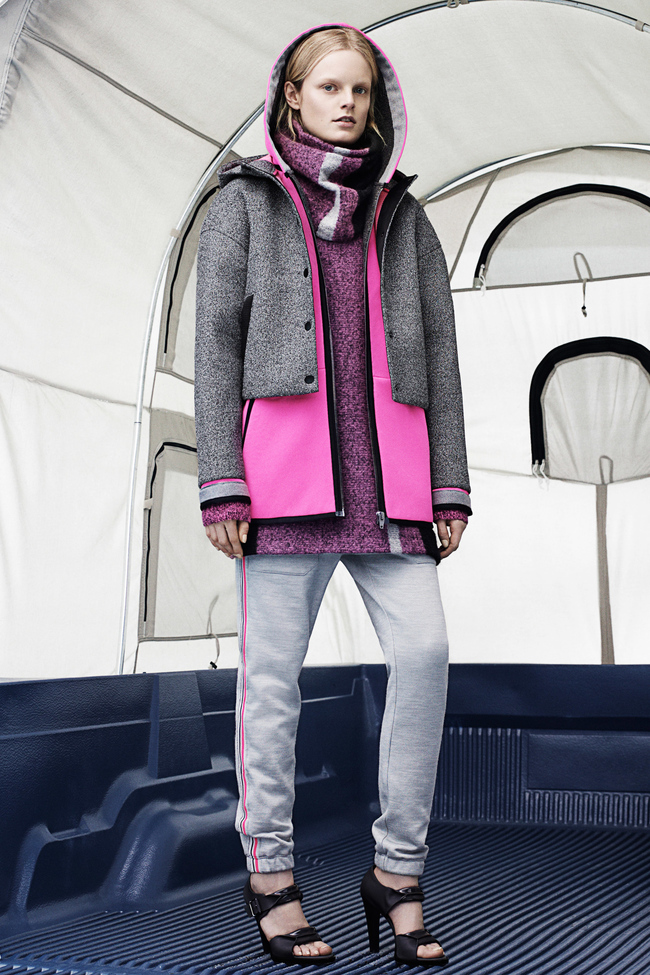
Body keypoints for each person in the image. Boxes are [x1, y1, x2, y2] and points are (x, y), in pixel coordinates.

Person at [195, 23, 471, 968]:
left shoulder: (407, 216)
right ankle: (270, 875)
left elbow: (442, 355)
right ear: (292, 95)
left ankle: (397, 871)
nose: (347, 103)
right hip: (279, 487)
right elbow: (214, 348)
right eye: (329, 87)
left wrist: (448, 484)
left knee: (425, 653)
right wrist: (222, 483)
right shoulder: (243, 202)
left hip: (393, 490)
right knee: (271, 688)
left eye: (360, 89)